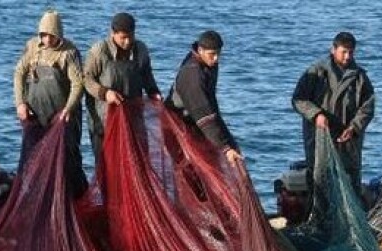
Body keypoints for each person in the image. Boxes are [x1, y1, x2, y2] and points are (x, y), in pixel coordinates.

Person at [292, 31, 375, 199]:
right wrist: (316, 115)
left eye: (351, 52)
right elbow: (298, 99)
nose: (347, 56)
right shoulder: (316, 72)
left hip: (348, 140)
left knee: (350, 183)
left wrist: (354, 127)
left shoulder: (360, 77)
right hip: (320, 138)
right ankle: (317, 219)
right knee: (320, 181)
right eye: (343, 51)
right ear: (333, 50)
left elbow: (368, 107)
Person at [13, 9, 87, 196]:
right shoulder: (32, 47)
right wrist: (20, 103)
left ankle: (75, 198)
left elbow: (78, 83)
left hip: (62, 116)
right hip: (37, 114)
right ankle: (37, 197)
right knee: (35, 157)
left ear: (58, 34)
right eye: (44, 35)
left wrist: (69, 108)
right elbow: (19, 73)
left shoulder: (69, 52)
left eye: (51, 36)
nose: (47, 40)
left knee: (68, 159)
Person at [84, 12, 161, 168]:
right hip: (103, 121)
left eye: (130, 37)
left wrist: (153, 92)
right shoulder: (99, 51)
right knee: (107, 169)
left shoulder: (141, 49)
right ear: (112, 33)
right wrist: (105, 93)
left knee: (137, 166)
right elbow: (86, 79)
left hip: (133, 120)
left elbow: (146, 75)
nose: (127, 42)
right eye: (123, 38)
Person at [166, 30, 244, 169]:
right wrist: (225, 149)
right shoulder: (193, 75)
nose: (216, 59)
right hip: (178, 127)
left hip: (195, 122)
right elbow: (204, 116)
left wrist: (228, 140)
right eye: (212, 54)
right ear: (200, 50)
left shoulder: (208, 64)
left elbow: (211, 105)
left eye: (218, 54)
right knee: (190, 173)